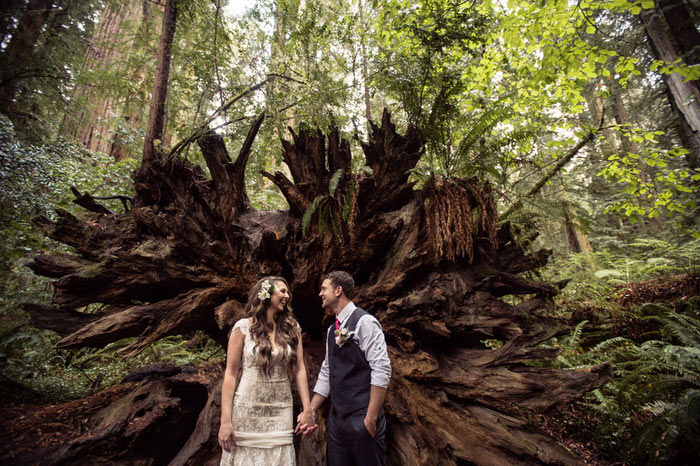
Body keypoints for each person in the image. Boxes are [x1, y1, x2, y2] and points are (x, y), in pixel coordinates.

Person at [218, 276, 315, 466]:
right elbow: (230, 374)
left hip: (281, 409)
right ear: (265, 294)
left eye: (288, 292)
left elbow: (299, 369)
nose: (287, 295)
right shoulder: (243, 328)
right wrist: (225, 421)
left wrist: (307, 409)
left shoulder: (292, 329)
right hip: (247, 409)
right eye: (282, 291)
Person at [305, 271, 392, 466]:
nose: (320, 293)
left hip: (362, 417)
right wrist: (311, 409)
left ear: (338, 290)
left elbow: (382, 369)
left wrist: (370, 418)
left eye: (323, 288)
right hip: (337, 422)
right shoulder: (331, 330)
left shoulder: (365, 322)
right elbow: (327, 371)